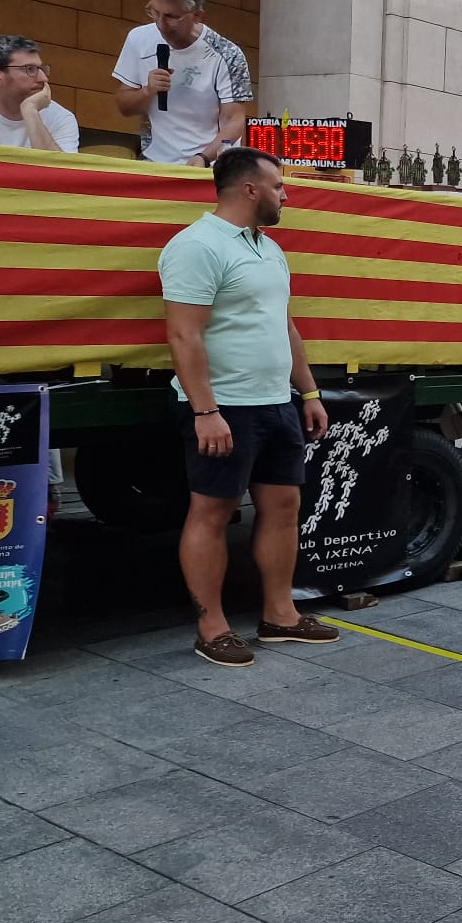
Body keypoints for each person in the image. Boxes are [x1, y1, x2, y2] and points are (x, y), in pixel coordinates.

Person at [158, 147, 336, 666]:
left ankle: (280, 615)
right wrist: (205, 411)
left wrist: (307, 392)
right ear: (250, 189)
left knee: (284, 508)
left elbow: (285, 325)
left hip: (276, 403)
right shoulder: (196, 246)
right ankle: (210, 627)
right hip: (225, 406)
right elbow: (183, 333)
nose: (287, 195)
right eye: (279, 186)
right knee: (212, 512)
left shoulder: (269, 247)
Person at [112, 0, 253, 167]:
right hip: (154, 162)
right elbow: (123, 106)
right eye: (154, 12)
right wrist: (148, 91)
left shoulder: (227, 54)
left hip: (208, 164)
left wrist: (204, 158)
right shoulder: (138, 39)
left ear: (197, 15)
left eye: (171, 17)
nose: (161, 24)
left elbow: (235, 119)